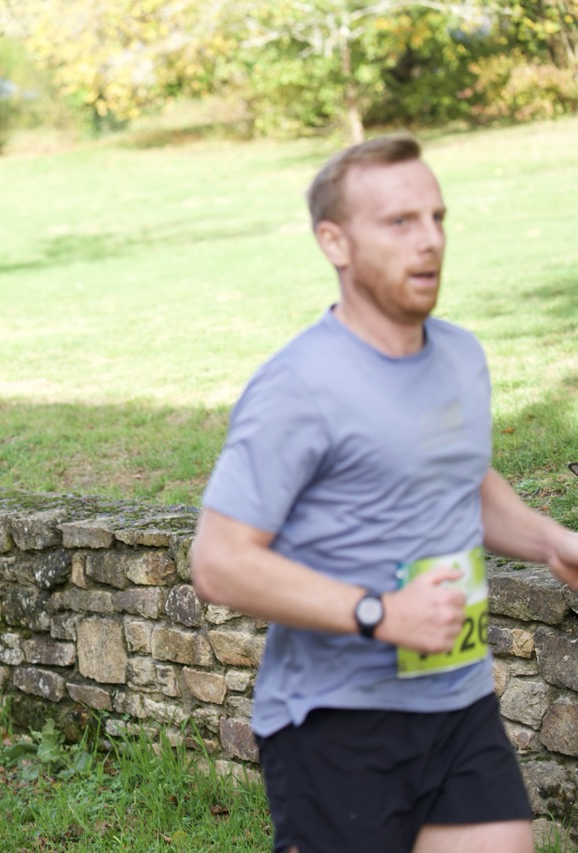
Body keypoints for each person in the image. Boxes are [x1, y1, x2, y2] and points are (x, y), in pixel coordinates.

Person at [191, 135, 578, 853]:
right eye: (400, 222)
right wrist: (381, 613)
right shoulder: (298, 385)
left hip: (459, 702)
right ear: (334, 242)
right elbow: (218, 563)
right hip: (337, 720)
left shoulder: (461, 355)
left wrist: (552, 542)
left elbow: (460, 479)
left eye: (437, 217)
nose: (430, 240)